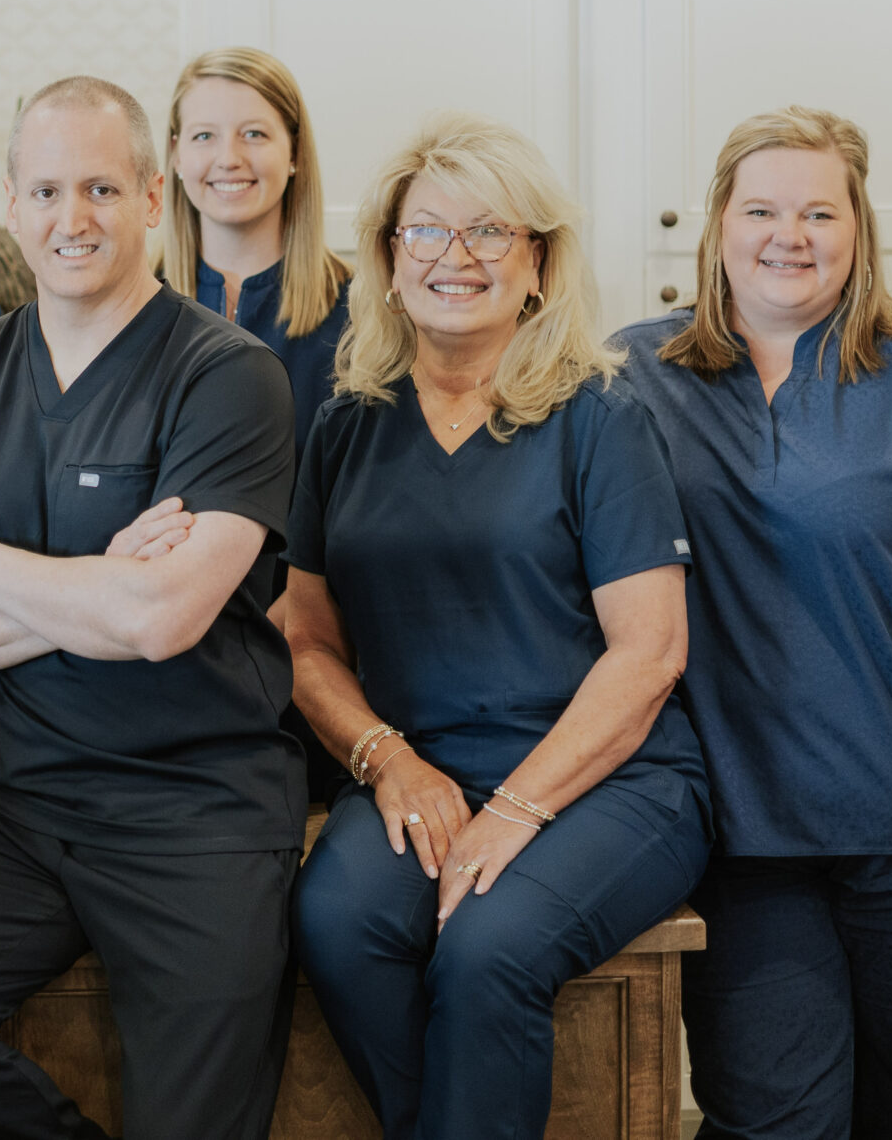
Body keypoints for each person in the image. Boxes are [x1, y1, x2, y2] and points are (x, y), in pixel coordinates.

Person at [0, 75, 304, 1140]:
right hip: (19, 807)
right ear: (10, 202)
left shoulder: (230, 378)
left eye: (100, 187)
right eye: (45, 191)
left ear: (149, 197)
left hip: (198, 814)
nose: (71, 218)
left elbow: (158, 624)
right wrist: (99, 578)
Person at [611, 105, 892, 1140]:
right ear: (717, 223)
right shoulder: (634, 378)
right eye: (761, 207)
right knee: (775, 1122)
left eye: (821, 211)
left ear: (858, 231)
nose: (789, 234)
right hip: (745, 834)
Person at [284, 114, 709, 1140]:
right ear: (388, 259)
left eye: (489, 233)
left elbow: (649, 650)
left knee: (487, 948)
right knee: (336, 924)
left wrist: (518, 808)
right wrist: (383, 758)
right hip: (418, 771)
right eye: (425, 231)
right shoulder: (349, 421)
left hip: (607, 779)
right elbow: (301, 640)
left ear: (539, 263)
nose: (454, 257)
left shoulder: (598, 417)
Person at [166, 48, 353, 803]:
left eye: (254, 133)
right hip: (164, 655)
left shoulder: (368, 312)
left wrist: (305, 601)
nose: (228, 158)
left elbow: (378, 490)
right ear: (173, 156)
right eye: (203, 136)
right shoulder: (126, 305)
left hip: (320, 652)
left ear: (295, 154)